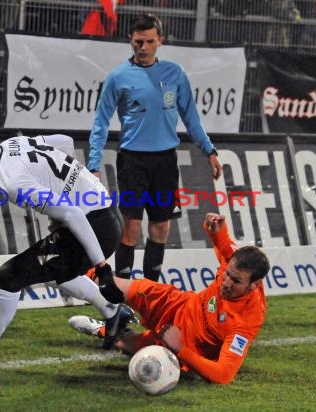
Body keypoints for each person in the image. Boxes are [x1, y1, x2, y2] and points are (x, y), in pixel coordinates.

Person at [0, 130, 133, 369]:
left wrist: (102, 268)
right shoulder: (11, 144)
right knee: (46, 269)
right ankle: (113, 312)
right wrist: (67, 186)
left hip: (96, 226)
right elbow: (65, 142)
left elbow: (73, 213)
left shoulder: (12, 183)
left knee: (7, 277)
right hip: (105, 214)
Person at [87, 13, 223, 283]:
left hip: (165, 163)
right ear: (130, 41)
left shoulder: (174, 73)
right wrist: (93, 166)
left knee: (160, 228)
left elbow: (191, 117)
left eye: (149, 41)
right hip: (132, 162)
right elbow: (100, 123)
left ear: (160, 41)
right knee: (131, 227)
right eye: (138, 41)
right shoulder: (118, 77)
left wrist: (210, 151)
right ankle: (122, 292)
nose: (143, 47)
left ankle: (151, 292)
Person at [70, 213, 270, 384]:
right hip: (175, 304)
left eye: (235, 281)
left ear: (254, 285)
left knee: (126, 346)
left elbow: (223, 375)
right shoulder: (234, 263)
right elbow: (225, 246)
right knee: (107, 283)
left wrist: (180, 348)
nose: (226, 283)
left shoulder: (247, 321)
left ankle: (105, 329)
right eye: (226, 274)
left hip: (183, 343)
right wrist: (217, 230)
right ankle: (64, 268)